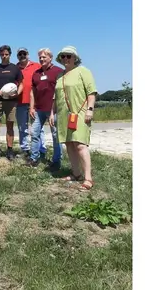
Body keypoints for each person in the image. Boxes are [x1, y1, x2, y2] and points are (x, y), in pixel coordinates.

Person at [49, 46, 98, 191]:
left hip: (80, 112)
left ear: (75, 58)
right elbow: (55, 97)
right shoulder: (60, 75)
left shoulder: (83, 71)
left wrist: (90, 109)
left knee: (80, 144)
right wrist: (52, 113)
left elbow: (91, 92)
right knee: (69, 144)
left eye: (68, 56)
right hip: (64, 115)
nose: (65, 59)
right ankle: (76, 173)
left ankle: (88, 178)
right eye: (63, 56)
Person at [28, 48, 64, 171]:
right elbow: (32, 92)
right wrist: (31, 107)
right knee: (34, 133)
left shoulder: (58, 71)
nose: (42, 59)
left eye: (44, 57)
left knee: (56, 135)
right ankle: (34, 158)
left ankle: (57, 160)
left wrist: (55, 110)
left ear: (50, 58)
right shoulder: (36, 73)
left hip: (53, 109)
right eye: (40, 57)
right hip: (38, 109)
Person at [0, 45, 23, 161]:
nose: (4, 56)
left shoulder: (15, 68)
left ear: (10, 55)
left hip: (11, 101)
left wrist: (17, 93)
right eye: (2, 54)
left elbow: (21, 83)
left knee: (10, 125)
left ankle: (10, 150)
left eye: (6, 54)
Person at [15, 47, 42, 160]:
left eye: (24, 53)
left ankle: (40, 149)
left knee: (37, 128)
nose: (22, 56)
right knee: (22, 128)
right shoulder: (15, 68)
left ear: (28, 54)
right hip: (20, 102)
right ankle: (25, 149)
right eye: (20, 54)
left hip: (35, 103)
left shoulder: (37, 66)